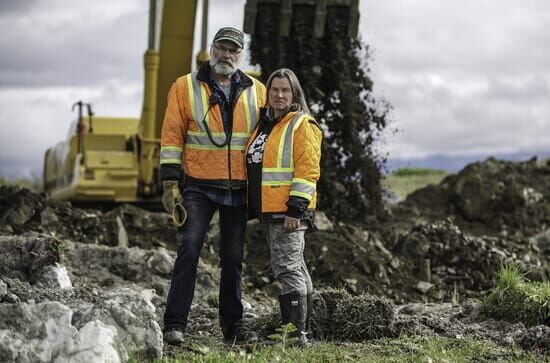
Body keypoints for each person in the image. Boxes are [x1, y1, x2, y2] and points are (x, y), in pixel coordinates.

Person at [159, 26, 266, 345]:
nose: (226, 54)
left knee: (233, 257)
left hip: (238, 189)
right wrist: (169, 182)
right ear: (211, 49)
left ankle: (233, 326)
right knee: (189, 249)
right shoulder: (184, 86)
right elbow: (172, 135)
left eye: (233, 50)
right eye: (221, 47)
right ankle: (175, 323)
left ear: (241, 55)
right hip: (198, 186)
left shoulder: (257, 90)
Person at [246, 68, 322, 346]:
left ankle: (294, 335)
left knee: (287, 269)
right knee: (295, 267)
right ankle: (304, 332)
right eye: (274, 89)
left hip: (287, 212)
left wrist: (295, 210)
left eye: (285, 90)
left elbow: (308, 170)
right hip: (270, 210)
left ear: (294, 93)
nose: (279, 95)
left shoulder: (301, 124)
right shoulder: (266, 125)